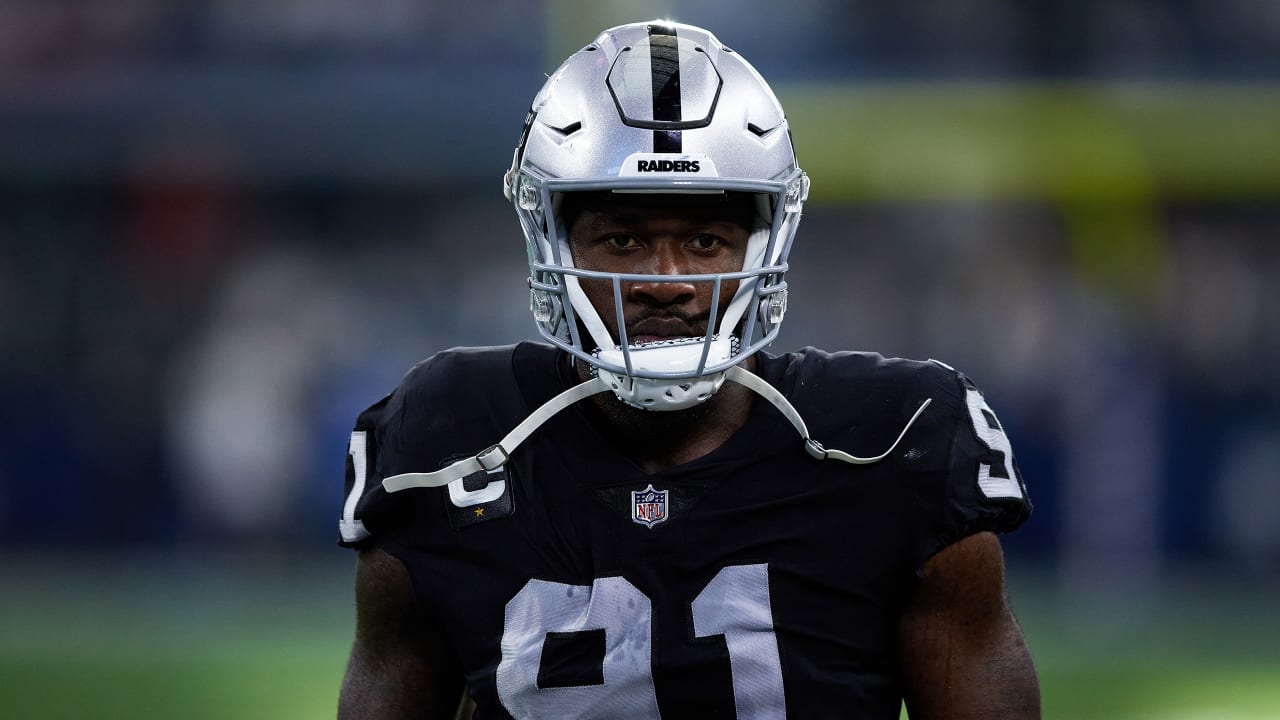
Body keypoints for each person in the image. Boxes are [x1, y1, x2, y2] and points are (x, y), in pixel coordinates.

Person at [337, 19, 1039, 720]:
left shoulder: (897, 443)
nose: (665, 279)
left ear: (767, 240)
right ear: (548, 237)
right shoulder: (444, 437)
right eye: (623, 239)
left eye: (705, 241)